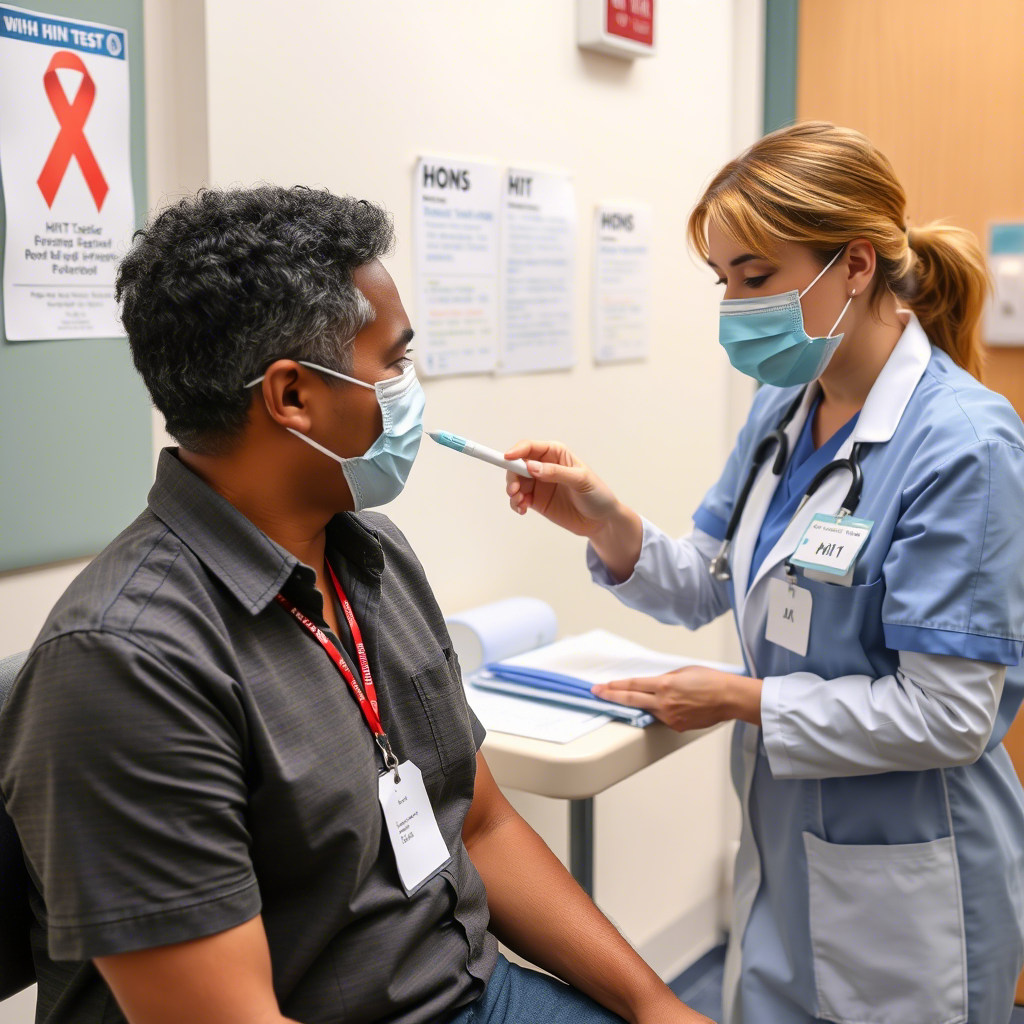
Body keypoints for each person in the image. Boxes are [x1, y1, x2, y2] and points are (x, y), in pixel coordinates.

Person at [0, 187, 709, 1024]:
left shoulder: (373, 554)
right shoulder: (125, 662)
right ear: (293, 396)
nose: (411, 390)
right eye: (394, 363)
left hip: (470, 989)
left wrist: (660, 1008)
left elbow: (476, 823)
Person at [503, 122, 1024, 1024]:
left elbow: (949, 715)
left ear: (854, 265)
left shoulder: (964, 446)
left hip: (910, 869)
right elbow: (716, 579)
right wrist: (609, 522)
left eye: (756, 278)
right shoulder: (788, 406)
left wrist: (739, 700)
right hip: (785, 843)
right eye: (723, 281)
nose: (735, 307)